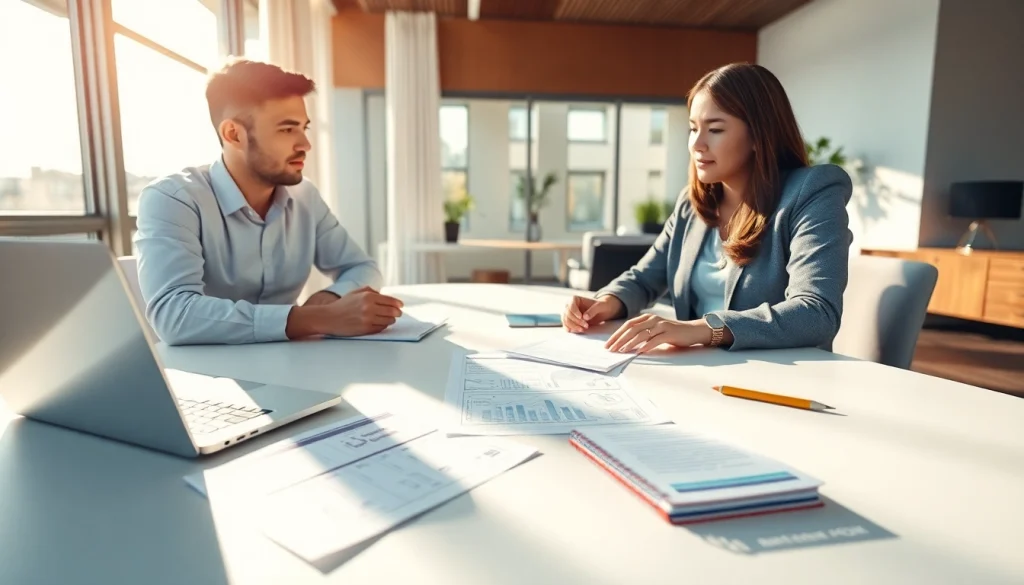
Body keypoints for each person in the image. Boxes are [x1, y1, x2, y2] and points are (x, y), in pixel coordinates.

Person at [561, 63, 853, 354]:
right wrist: (607, 302)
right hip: (700, 371)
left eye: (714, 129)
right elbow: (645, 277)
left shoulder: (813, 191)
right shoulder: (692, 204)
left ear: (758, 135)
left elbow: (816, 312)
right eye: (692, 129)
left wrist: (700, 330)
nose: (697, 144)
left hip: (779, 379)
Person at [134, 59, 401, 346]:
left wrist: (331, 298)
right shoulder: (173, 199)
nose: (304, 145)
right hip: (208, 379)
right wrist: (318, 318)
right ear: (233, 134)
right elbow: (175, 316)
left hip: (290, 365)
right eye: (287, 130)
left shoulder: (304, 197)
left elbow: (362, 267)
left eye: (304, 128)